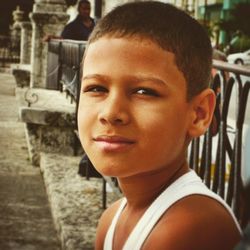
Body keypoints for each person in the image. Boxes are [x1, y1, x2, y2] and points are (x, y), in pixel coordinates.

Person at [77, 1, 242, 249]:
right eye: (96, 88)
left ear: (198, 114)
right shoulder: (111, 220)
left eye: (144, 91)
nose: (111, 113)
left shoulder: (192, 227)